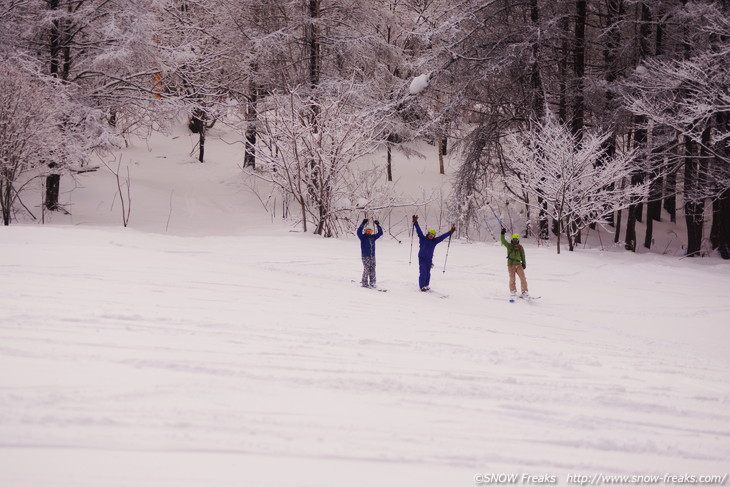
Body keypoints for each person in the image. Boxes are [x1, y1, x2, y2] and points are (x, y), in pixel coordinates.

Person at [412, 215, 455, 291]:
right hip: (422, 258)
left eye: (433, 235)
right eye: (430, 234)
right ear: (428, 234)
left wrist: (450, 232)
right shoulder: (423, 239)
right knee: (423, 272)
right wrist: (415, 222)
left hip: (429, 259)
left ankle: (426, 285)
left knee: (428, 273)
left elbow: (442, 237)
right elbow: (419, 231)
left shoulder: (434, 241)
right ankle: (422, 286)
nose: (431, 236)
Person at [500, 227, 528, 298]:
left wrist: (524, 263)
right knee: (512, 278)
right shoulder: (509, 246)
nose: (515, 241)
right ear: (512, 239)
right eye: (514, 239)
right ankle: (513, 291)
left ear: (518, 240)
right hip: (511, 265)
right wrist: (502, 234)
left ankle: (524, 291)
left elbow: (523, 256)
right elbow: (503, 241)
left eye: (516, 239)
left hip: (519, 265)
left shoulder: (520, 247)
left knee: (523, 278)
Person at [357, 218, 383, 288]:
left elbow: (380, 233)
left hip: (372, 256)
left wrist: (378, 225)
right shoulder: (362, 237)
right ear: (365, 231)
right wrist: (363, 223)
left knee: (373, 269)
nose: (369, 232)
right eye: (368, 231)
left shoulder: (373, 237)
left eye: (370, 231)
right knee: (367, 268)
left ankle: (372, 282)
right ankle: (364, 282)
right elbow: (358, 232)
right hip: (365, 256)